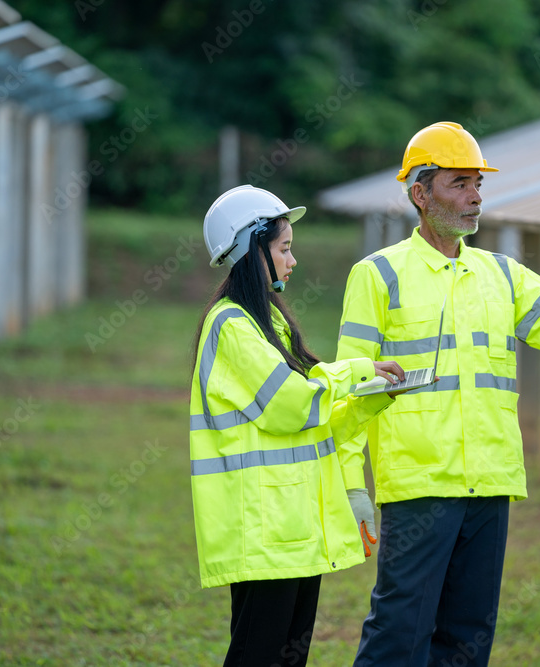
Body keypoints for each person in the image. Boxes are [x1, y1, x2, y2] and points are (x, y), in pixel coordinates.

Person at [335, 121, 540, 666]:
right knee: (399, 632)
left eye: (478, 185)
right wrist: (352, 488)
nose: (475, 198)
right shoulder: (378, 276)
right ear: (420, 194)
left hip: (490, 485)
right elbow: (351, 385)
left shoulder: (501, 275)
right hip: (418, 487)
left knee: (467, 639)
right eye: (459, 184)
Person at [190, 184, 414, 666]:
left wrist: (372, 401)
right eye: (285, 248)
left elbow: (316, 423)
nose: (293, 261)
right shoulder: (230, 326)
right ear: (253, 249)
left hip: (292, 528)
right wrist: (357, 371)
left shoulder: (267, 320)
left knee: (287, 659)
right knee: (258, 656)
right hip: (264, 528)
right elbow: (294, 404)